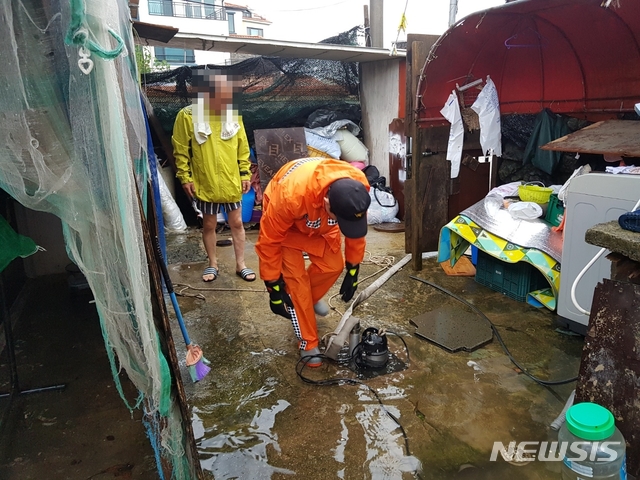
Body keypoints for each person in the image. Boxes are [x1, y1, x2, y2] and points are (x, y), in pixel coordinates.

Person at [255, 158, 371, 367]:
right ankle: (307, 342)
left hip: (322, 225)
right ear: (327, 202)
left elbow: (355, 231)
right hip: (287, 227)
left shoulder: (356, 187)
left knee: (333, 266)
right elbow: (269, 241)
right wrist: (273, 286)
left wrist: (353, 268)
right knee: (296, 285)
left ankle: (307, 301)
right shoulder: (290, 196)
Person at [172, 69, 256, 282]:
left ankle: (241, 265)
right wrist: (185, 177)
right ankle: (213, 264)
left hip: (231, 180)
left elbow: (242, 147)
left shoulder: (232, 115)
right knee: (209, 224)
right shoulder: (188, 116)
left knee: (237, 223)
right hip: (205, 181)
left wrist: (245, 174)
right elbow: (181, 149)